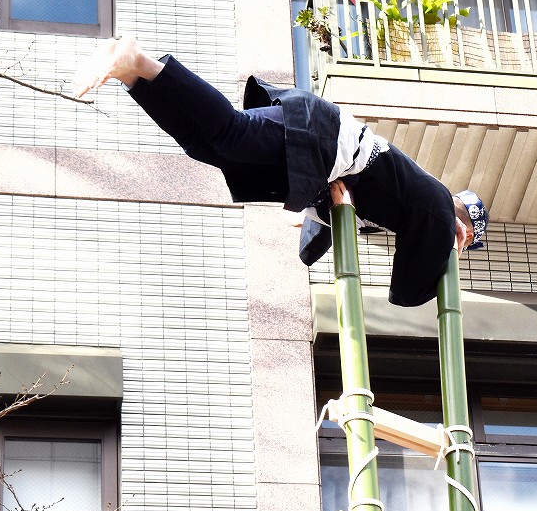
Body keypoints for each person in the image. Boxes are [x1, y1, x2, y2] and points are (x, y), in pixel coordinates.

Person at [74, 37, 487, 308]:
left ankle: (133, 77)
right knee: (231, 134)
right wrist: (448, 250)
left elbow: (311, 246)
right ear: (464, 231)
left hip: (322, 156)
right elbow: (407, 292)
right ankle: (143, 62)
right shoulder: (436, 209)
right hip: (326, 143)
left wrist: (320, 216)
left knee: (208, 147)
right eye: (464, 242)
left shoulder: (414, 200)